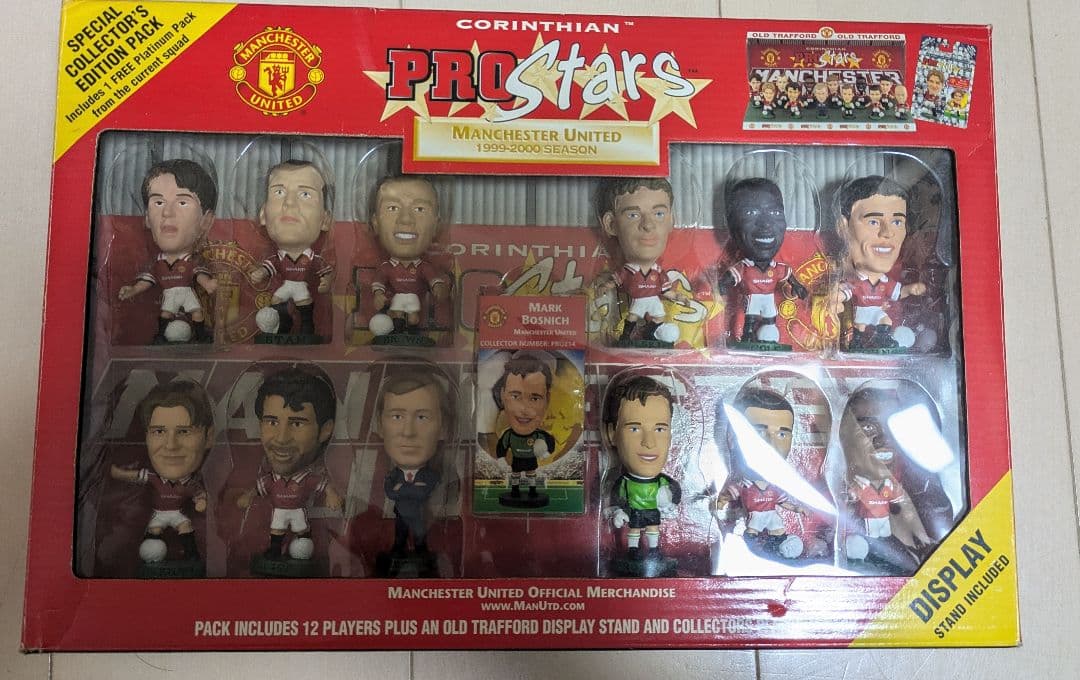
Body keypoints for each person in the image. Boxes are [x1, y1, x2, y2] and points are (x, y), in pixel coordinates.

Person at [237, 366, 342, 563]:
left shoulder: (308, 478)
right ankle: (275, 550)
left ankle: (302, 545)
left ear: (325, 430)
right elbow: (257, 488)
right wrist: (247, 496)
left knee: (302, 531)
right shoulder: (271, 480)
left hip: (298, 514)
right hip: (279, 514)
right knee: (277, 530)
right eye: (272, 422)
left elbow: (324, 485)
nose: (281, 438)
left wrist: (332, 494)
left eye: (297, 423)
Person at [110, 380, 214, 567]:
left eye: (184, 431)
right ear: (146, 436)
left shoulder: (191, 483)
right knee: (153, 532)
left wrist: (201, 502)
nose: (171, 445)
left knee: (185, 526)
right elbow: (136, 476)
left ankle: (191, 555)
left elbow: (198, 494)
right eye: (159, 431)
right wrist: (118, 473)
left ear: (209, 437)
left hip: (177, 515)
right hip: (158, 515)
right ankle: (150, 551)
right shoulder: (151, 481)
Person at [118, 159, 218, 343]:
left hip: (186, 292)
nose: (167, 212)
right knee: (166, 313)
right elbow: (146, 281)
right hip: (170, 294)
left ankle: (201, 335)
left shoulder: (192, 260)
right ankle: (160, 335)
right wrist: (133, 290)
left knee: (197, 312)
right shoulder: (157, 263)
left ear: (206, 220)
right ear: (147, 218)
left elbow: (199, 275)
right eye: (158, 202)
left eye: (182, 202)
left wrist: (209, 284)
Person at [834, 176, 926, 349]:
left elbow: (898, 292)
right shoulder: (854, 279)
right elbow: (845, 291)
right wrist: (835, 298)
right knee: (859, 328)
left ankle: (881, 340)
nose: (887, 233)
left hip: (876, 313)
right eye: (873, 221)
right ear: (843, 228)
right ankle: (857, 342)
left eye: (897, 222)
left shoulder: (886, 280)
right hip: (860, 313)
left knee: (885, 321)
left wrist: (910, 289)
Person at [595, 177, 689, 345]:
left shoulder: (658, 272)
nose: (648, 225)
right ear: (611, 224)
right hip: (638, 300)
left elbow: (666, 291)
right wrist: (604, 287)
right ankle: (626, 336)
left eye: (659, 214)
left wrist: (678, 297)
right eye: (633, 215)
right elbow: (616, 281)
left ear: (671, 221)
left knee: (659, 316)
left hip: (653, 300)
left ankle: (650, 333)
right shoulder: (629, 270)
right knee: (632, 316)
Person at [716, 388, 807, 559]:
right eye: (758, 432)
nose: (770, 445)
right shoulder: (745, 484)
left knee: (778, 531)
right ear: (732, 438)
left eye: (782, 434)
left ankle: (775, 550)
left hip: (771, 516)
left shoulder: (776, 487)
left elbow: (783, 501)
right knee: (752, 532)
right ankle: (749, 551)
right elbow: (731, 493)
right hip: (755, 517)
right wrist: (721, 501)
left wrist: (797, 508)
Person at [248, 160, 334, 338]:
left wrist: (327, 281)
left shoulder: (312, 258)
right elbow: (268, 267)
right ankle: (282, 326)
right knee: (276, 301)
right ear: (263, 214)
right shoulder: (278, 258)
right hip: (287, 285)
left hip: (301, 286)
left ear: (325, 220)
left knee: (304, 304)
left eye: (305, 194)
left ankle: (307, 329)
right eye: (279, 192)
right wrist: (260, 272)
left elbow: (324, 270)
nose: (289, 203)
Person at [717, 178, 807, 345]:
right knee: (750, 319)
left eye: (775, 213)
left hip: (768, 300)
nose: (766, 224)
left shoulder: (776, 267)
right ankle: (747, 337)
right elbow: (729, 277)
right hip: (753, 299)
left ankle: (768, 337)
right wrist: (721, 285)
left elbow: (788, 276)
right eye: (750, 213)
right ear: (732, 225)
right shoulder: (744, 267)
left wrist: (798, 286)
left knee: (770, 319)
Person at [604, 375, 681, 568]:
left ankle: (654, 550)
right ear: (612, 434)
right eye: (634, 429)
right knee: (635, 531)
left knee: (653, 529)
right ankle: (633, 550)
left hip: (652, 512)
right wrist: (618, 511)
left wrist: (671, 503)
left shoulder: (662, 482)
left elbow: (674, 493)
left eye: (660, 429)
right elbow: (617, 498)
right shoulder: (624, 482)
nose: (649, 443)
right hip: (635, 512)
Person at [375, 369, 452, 557]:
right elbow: (391, 492)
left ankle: (421, 553)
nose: (408, 432)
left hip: (418, 516)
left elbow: (423, 492)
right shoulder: (393, 476)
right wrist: (411, 489)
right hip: (401, 514)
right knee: (399, 538)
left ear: (443, 428)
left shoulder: (430, 476)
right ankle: (398, 551)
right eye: (397, 416)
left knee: (419, 537)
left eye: (422, 417)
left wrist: (403, 489)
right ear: (380, 425)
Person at [368, 175, 450, 336]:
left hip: (413, 299)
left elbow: (434, 280)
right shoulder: (387, 267)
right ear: (375, 223)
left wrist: (440, 288)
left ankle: (412, 333)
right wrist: (378, 295)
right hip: (397, 298)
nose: (405, 219)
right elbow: (379, 283)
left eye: (419, 209)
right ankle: (398, 332)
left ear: (436, 226)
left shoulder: (423, 267)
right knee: (397, 315)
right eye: (392, 208)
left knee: (413, 319)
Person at [492, 355, 556, 503]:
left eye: (535, 398)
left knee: (531, 475)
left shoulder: (539, 436)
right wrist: (501, 458)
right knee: (515, 475)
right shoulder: (507, 435)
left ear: (547, 399)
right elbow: (501, 447)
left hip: (531, 461)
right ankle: (515, 491)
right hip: (517, 461)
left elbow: (550, 442)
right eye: (515, 396)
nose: (524, 409)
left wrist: (546, 452)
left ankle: (532, 490)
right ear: (502, 395)